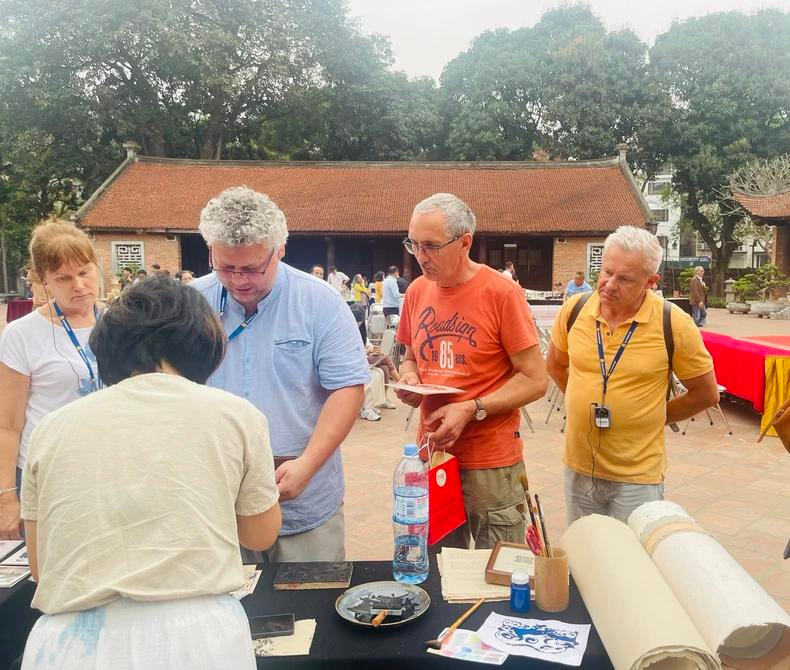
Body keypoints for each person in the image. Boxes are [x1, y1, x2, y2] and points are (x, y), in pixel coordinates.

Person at [20, 277, 281, 669]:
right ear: (203, 346)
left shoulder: (51, 428)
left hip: (69, 642)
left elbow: (42, 566)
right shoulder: (236, 415)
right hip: (198, 637)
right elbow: (259, 534)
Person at [192, 186, 369, 562]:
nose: (239, 280)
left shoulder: (320, 302)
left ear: (281, 249)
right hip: (218, 498)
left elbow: (348, 389)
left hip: (302, 490)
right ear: (210, 252)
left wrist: (307, 464)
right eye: (225, 267)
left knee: (312, 607)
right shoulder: (191, 304)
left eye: (253, 268)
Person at [395, 193, 548, 550]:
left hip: (489, 462)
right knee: (438, 563)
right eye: (414, 244)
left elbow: (535, 379)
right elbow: (411, 357)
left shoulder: (501, 293)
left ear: (465, 242)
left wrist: (472, 407)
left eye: (431, 245)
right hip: (432, 454)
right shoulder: (417, 291)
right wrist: (409, 378)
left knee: (498, 569)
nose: (420, 256)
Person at [546, 226, 719, 525]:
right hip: (579, 466)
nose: (609, 284)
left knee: (632, 563)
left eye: (624, 278)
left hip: (637, 476)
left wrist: (655, 415)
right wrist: (579, 399)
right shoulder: (575, 310)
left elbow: (705, 393)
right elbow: (556, 365)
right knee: (586, 557)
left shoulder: (673, 323)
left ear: (651, 282)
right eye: (606, 272)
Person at [0, 221, 105, 541]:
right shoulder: (23, 335)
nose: (79, 285)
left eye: (85, 272)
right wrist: (6, 496)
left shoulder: (119, 322)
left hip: (106, 467)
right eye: (64, 278)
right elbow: (8, 424)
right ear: (42, 280)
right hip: (47, 473)